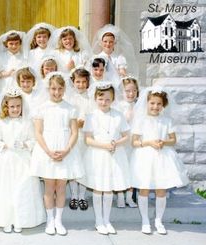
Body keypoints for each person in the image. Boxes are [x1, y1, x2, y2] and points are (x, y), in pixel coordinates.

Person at [0, 88, 45, 233]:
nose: (15, 109)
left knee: (23, 188)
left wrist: (25, 144)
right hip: (7, 159)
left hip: (23, 160)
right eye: (12, 106)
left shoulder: (27, 123)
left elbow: (33, 139)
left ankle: (21, 219)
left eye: (18, 106)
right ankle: (6, 219)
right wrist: (6, 146)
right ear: (6, 107)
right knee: (6, 188)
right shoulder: (1, 123)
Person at [30, 72, 84, 236]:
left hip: (65, 150)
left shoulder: (70, 108)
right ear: (48, 89)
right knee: (49, 187)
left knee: (61, 187)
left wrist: (66, 150)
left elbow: (74, 132)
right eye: (53, 88)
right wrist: (48, 151)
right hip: (47, 150)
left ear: (64, 89)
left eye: (60, 89)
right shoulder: (42, 108)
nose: (57, 92)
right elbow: (38, 132)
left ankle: (59, 220)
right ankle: (50, 220)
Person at [130, 86, 189, 235]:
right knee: (143, 188)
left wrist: (164, 142)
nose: (155, 106)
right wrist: (149, 142)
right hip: (145, 157)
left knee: (160, 189)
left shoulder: (167, 120)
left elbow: (173, 140)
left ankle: (158, 220)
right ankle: (144, 220)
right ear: (147, 103)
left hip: (163, 157)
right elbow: (135, 142)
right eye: (152, 103)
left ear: (163, 105)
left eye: (159, 104)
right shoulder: (141, 120)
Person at [80, 83, 131, 235]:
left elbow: (126, 136)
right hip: (97, 155)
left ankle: (107, 220)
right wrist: (104, 145)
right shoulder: (91, 116)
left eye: (108, 99)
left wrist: (115, 143)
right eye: (101, 99)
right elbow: (88, 139)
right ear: (96, 98)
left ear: (113, 99)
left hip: (114, 155)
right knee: (98, 187)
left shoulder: (118, 115)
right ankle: (98, 221)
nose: (104, 102)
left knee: (109, 189)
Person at [65, 68, 93, 211]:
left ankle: (82, 196)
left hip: (86, 137)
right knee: (73, 165)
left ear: (88, 82)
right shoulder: (69, 99)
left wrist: (86, 123)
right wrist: (75, 123)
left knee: (84, 166)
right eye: (78, 82)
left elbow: (94, 117)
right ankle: (74, 195)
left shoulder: (91, 98)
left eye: (83, 82)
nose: (81, 85)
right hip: (73, 135)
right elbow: (66, 117)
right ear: (73, 82)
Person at [113, 77, 140, 208]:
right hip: (122, 143)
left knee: (132, 169)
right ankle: (120, 196)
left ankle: (130, 197)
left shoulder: (140, 106)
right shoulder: (118, 107)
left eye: (134, 91)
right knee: (121, 169)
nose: (131, 94)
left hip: (134, 143)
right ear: (121, 92)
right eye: (127, 91)